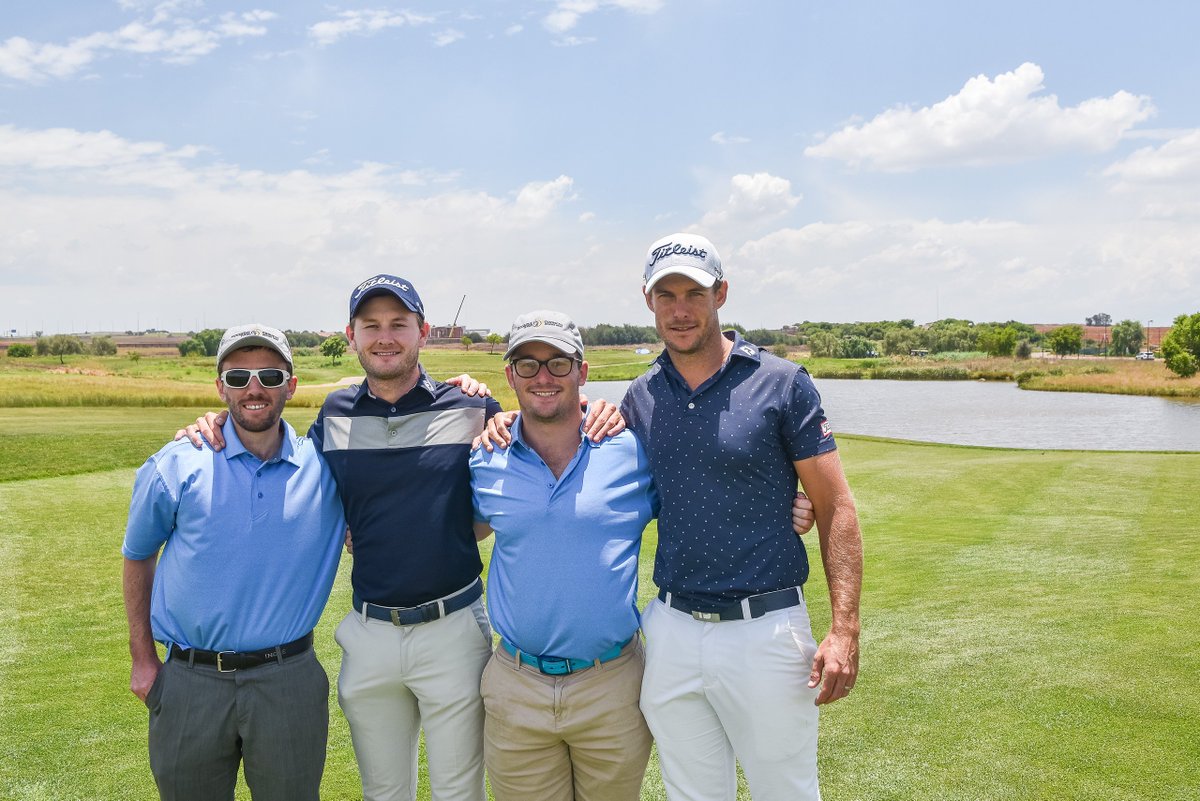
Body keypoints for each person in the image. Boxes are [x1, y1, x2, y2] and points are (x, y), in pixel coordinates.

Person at [180, 276, 623, 801]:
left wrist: (599, 405)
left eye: (398, 324)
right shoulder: (335, 417)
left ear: (423, 332)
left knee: (458, 791)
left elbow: (538, 426)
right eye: (371, 326)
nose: (384, 337)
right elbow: (281, 455)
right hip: (370, 633)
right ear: (351, 335)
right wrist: (217, 423)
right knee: (383, 792)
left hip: (454, 628)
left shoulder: (472, 408)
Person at [625, 233, 864, 801]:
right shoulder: (640, 396)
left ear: (721, 295)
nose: (681, 309)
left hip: (766, 631)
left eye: (695, 293)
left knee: (785, 792)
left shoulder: (781, 383)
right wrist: (488, 412)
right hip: (673, 631)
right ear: (648, 301)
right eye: (667, 295)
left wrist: (845, 629)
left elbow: (834, 507)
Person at [122, 323, 345, 801]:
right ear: (220, 387)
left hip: (289, 679)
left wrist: (471, 397)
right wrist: (143, 660)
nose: (254, 388)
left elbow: (388, 401)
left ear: (291, 384)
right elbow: (137, 556)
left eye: (269, 374)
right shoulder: (178, 463)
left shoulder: (326, 467)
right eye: (238, 377)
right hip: (190, 682)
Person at [470, 311, 657, 801]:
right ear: (509, 376)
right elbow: (447, 531)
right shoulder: (484, 456)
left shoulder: (632, 451)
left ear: (582, 371)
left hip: (612, 684)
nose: (543, 377)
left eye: (557, 362)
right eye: (527, 366)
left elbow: (706, 499)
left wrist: (796, 499)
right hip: (516, 685)